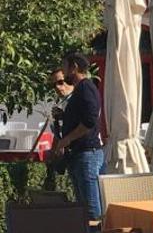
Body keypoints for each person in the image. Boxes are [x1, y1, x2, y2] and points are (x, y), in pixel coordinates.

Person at [52, 52, 104, 222]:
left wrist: (67, 139)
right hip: (80, 154)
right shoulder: (80, 90)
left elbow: (89, 121)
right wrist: (63, 116)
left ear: (74, 67)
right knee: (83, 207)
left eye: (65, 67)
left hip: (87, 154)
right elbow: (82, 117)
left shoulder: (85, 87)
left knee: (90, 209)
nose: (64, 72)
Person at [47, 68, 75, 173]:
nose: (58, 87)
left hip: (83, 152)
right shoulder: (63, 103)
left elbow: (85, 124)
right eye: (54, 85)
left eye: (60, 82)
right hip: (70, 154)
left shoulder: (79, 98)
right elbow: (59, 131)